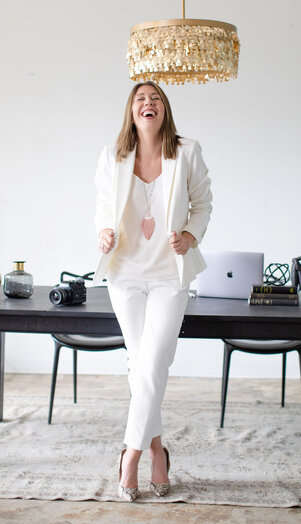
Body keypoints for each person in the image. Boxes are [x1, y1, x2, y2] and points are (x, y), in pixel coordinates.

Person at [94, 81, 212, 501]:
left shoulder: (187, 151)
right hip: (124, 274)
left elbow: (203, 203)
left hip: (169, 276)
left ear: (165, 110)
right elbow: (102, 206)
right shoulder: (114, 155)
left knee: (152, 363)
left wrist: (191, 235)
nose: (149, 103)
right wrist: (104, 232)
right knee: (141, 364)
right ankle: (159, 452)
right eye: (141, 99)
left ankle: (130, 457)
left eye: (156, 98)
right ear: (131, 111)